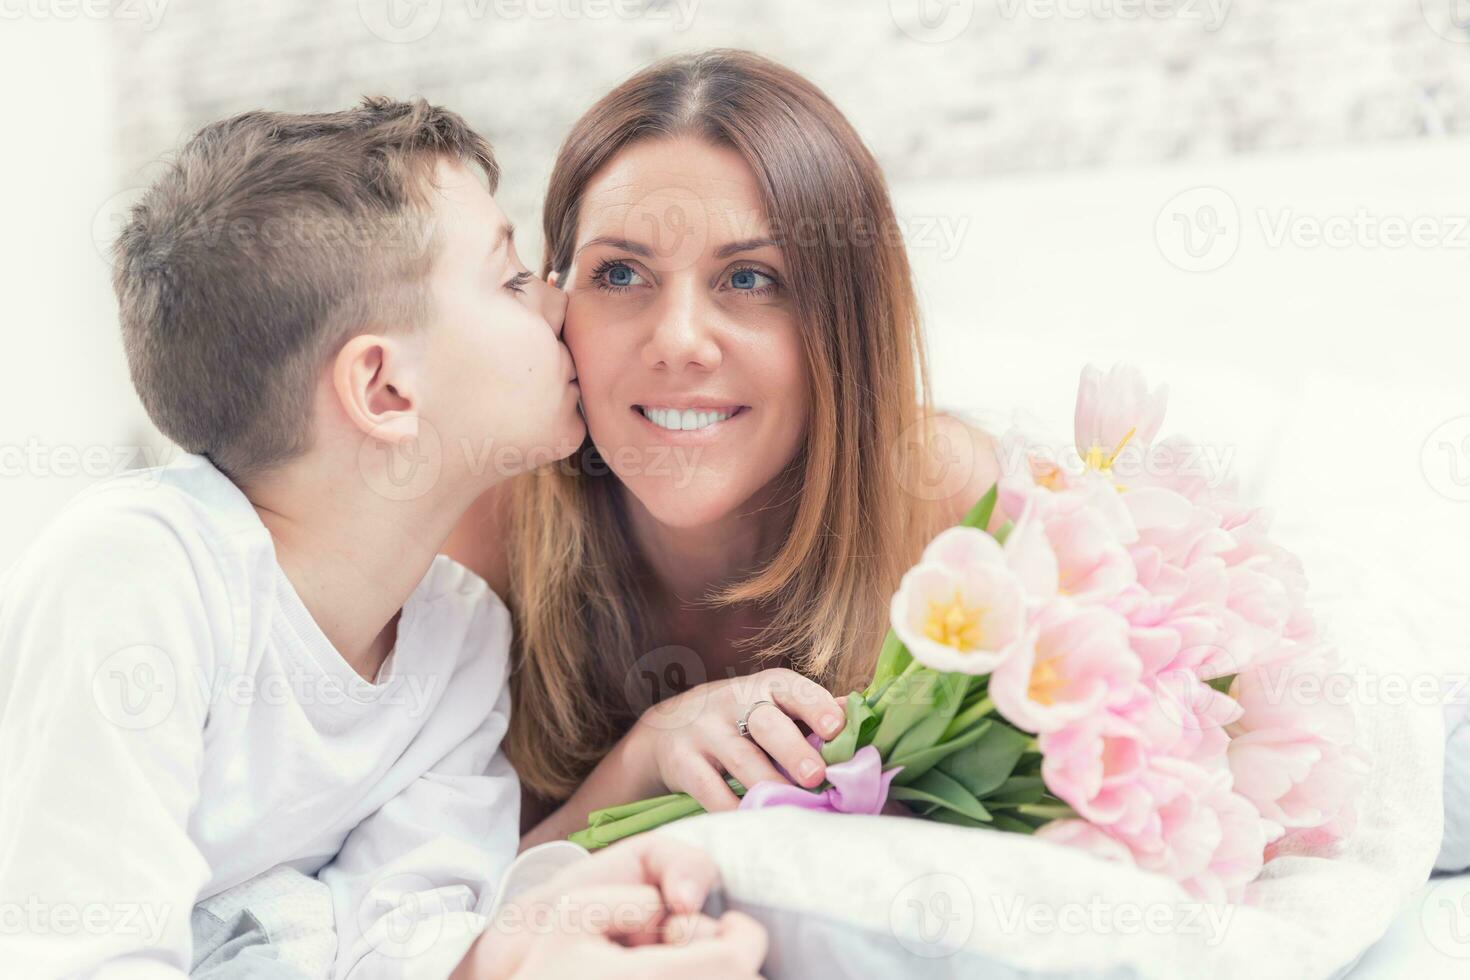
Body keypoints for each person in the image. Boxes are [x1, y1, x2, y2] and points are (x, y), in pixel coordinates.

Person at [0, 97, 763, 979]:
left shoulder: (460, 635)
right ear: (385, 388)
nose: (559, 302)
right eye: (511, 277)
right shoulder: (136, 577)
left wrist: (552, 946)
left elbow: (414, 945)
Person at [444, 50, 997, 845]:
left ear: (844, 325)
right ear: (557, 298)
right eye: (622, 273)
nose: (677, 343)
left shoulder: (948, 502)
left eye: (749, 279)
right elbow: (427, 923)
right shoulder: (487, 511)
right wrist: (641, 759)